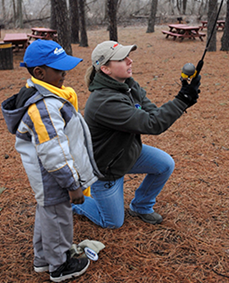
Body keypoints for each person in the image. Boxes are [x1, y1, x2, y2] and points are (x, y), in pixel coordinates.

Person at [1, 39, 102, 282]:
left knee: (48, 214)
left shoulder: (46, 96)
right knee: (59, 217)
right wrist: (72, 184)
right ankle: (60, 266)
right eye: (58, 69)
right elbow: (53, 151)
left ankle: (43, 259)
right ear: (39, 72)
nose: (64, 73)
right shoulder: (44, 106)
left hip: (49, 175)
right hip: (53, 176)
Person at [72, 40, 201, 229]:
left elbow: (152, 113)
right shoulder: (104, 102)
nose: (130, 61)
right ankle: (71, 202)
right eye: (122, 59)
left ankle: (141, 206)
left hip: (126, 153)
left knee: (165, 164)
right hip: (106, 170)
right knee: (112, 223)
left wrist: (184, 96)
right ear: (106, 69)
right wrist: (182, 100)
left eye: (128, 57)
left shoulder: (128, 85)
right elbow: (153, 124)